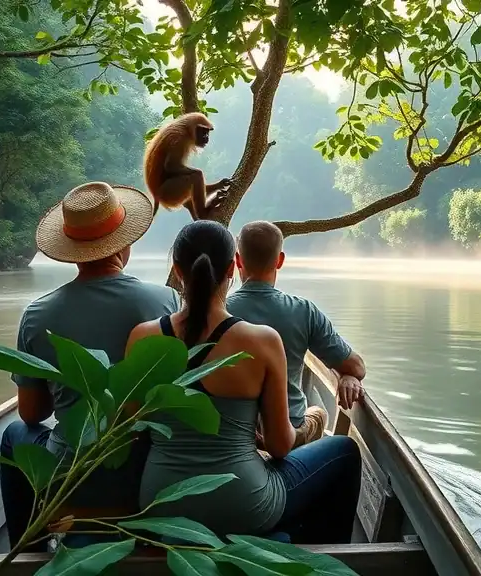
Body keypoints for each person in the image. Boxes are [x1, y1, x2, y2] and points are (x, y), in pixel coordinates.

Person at [132, 220, 361, 543]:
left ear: (176, 270)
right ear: (231, 268)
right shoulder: (261, 341)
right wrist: (313, 420)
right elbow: (280, 446)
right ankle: (310, 552)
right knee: (344, 450)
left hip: (160, 506)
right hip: (245, 505)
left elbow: (131, 428)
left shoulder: (143, 337)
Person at [0, 181, 180, 550]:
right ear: (125, 242)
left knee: (13, 435)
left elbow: (32, 413)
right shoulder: (166, 301)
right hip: (149, 472)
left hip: (74, 476)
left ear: (70, 251)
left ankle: (26, 552)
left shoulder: (37, 315)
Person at [226, 220, 366, 449]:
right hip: (289, 431)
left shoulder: (219, 312)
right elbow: (357, 367)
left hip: (236, 433)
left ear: (238, 260)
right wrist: (347, 375)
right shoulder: (303, 311)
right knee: (318, 413)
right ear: (280, 260)